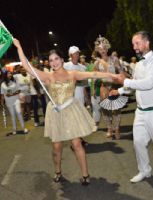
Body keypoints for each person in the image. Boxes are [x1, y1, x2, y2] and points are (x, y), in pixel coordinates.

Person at [13, 38, 118, 185]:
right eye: (51, 60)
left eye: (56, 59)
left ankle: (86, 175)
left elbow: (93, 75)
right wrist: (19, 46)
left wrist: (113, 76)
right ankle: (57, 171)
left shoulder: (72, 74)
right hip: (55, 114)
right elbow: (26, 65)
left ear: (62, 60)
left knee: (76, 144)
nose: (54, 62)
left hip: (71, 111)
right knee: (56, 148)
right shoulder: (48, 77)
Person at [111, 31, 153, 186]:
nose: (134, 47)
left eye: (137, 43)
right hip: (141, 112)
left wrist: (125, 82)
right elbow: (135, 84)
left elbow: (148, 83)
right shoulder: (139, 64)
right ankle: (144, 170)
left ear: (146, 43)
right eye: (133, 44)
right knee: (138, 142)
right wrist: (119, 91)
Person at [93, 35, 127, 139]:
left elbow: (121, 72)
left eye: (104, 48)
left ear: (107, 48)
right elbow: (94, 75)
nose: (102, 50)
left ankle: (116, 129)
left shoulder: (114, 59)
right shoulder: (97, 62)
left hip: (114, 85)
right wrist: (94, 88)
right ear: (98, 50)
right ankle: (109, 128)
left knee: (116, 109)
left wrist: (122, 79)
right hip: (104, 86)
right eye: (100, 48)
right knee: (104, 109)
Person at [0, 71, 29, 135]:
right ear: (5, 75)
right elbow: (2, 94)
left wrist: (12, 94)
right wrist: (2, 102)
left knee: (19, 113)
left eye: (10, 73)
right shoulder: (3, 84)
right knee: (12, 115)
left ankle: (23, 128)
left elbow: (19, 90)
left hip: (16, 100)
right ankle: (14, 129)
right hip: (8, 102)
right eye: (8, 73)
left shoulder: (15, 81)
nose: (10, 74)